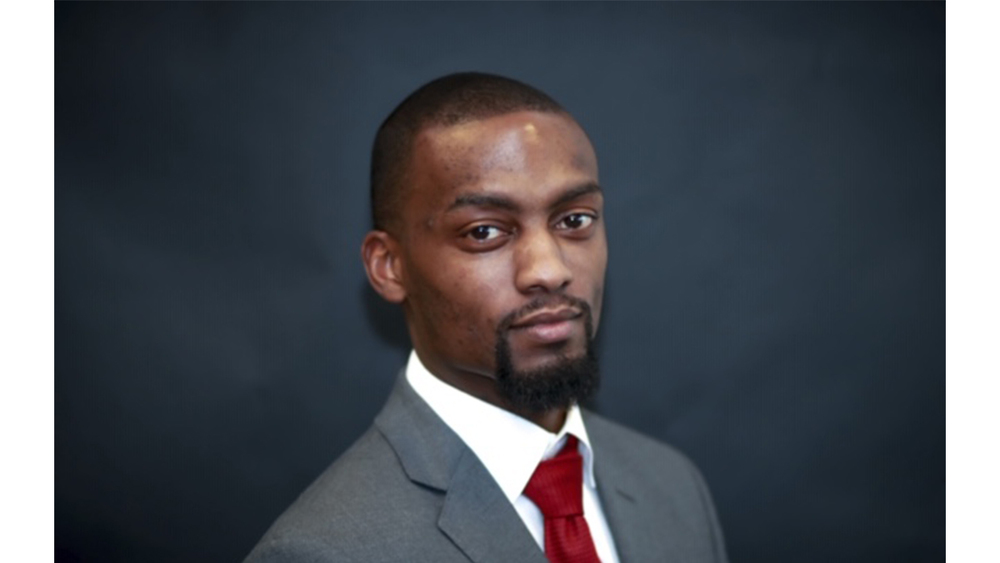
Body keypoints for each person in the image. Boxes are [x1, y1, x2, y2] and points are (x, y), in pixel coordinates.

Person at [245, 72, 728, 563]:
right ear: (390, 267)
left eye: (574, 220)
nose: (550, 269)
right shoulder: (323, 552)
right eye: (483, 232)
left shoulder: (674, 488)